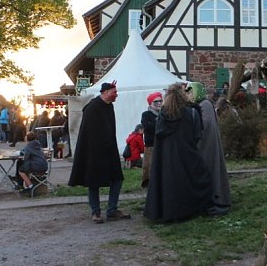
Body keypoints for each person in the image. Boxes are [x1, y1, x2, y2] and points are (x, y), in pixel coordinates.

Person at [143, 83, 227, 222]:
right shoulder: (190, 112)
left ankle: (167, 211)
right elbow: (196, 134)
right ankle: (202, 207)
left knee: (169, 182)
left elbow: (159, 134)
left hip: (166, 157)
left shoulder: (163, 114)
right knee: (199, 177)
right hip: (187, 152)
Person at [68, 81, 130, 223]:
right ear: (106, 92)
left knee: (117, 179)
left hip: (109, 150)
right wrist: (95, 152)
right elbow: (89, 134)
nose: (116, 95)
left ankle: (112, 210)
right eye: (114, 92)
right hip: (94, 152)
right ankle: (95, 212)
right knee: (93, 181)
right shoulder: (92, 108)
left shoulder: (109, 107)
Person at [188, 82, 231, 210]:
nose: (189, 95)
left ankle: (215, 200)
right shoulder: (202, 105)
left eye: (191, 92)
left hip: (207, 145)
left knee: (211, 171)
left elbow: (206, 124)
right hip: (204, 144)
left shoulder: (205, 105)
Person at [140, 91, 162, 188]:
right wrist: (159, 125)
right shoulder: (146, 114)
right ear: (150, 103)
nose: (159, 103)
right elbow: (147, 127)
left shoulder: (163, 114)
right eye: (156, 102)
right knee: (149, 166)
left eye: (160, 101)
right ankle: (148, 184)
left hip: (162, 143)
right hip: (151, 144)